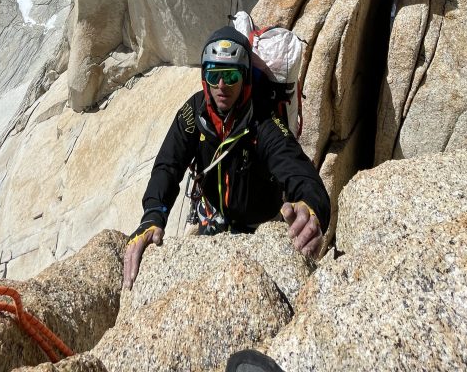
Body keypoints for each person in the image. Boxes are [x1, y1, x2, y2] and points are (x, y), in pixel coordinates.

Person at [123, 27, 331, 289]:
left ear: (245, 78)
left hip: (261, 228)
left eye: (231, 76)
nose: (221, 86)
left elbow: (297, 167)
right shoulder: (193, 114)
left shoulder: (263, 121)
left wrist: (313, 207)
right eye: (214, 75)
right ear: (204, 77)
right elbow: (168, 165)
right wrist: (152, 215)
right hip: (214, 215)